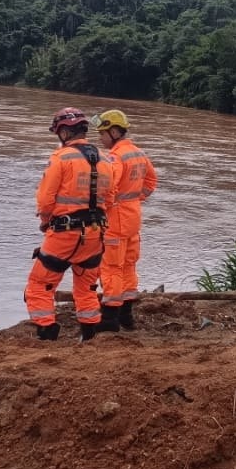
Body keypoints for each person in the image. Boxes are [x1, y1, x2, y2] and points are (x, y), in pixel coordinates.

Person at [25, 107, 117, 342]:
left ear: (64, 132)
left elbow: (45, 200)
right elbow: (111, 198)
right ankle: (89, 333)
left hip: (64, 233)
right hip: (95, 234)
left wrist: (45, 222)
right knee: (86, 287)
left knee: (39, 284)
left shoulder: (61, 158)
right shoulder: (106, 159)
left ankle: (46, 330)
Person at [91, 109, 158, 330]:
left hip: (116, 221)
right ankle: (126, 315)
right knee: (129, 266)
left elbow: (109, 187)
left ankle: (109, 318)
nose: (100, 138)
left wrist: (101, 208)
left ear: (114, 131)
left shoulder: (116, 157)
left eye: (102, 133)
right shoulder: (138, 153)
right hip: (133, 219)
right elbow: (151, 182)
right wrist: (135, 200)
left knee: (111, 268)